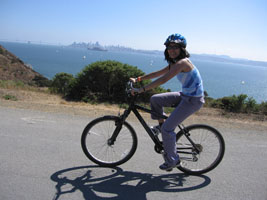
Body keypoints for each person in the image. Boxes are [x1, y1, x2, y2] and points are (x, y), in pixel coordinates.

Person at [130, 33, 205, 171]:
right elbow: (157, 73)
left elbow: (163, 79)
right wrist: (138, 79)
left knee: (168, 129)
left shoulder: (183, 63)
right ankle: (160, 127)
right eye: (169, 47)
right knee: (155, 99)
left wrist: (141, 90)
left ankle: (173, 160)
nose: (171, 50)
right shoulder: (175, 63)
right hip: (185, 95)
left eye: (175, 47)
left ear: (182, 49)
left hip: (193, 100)